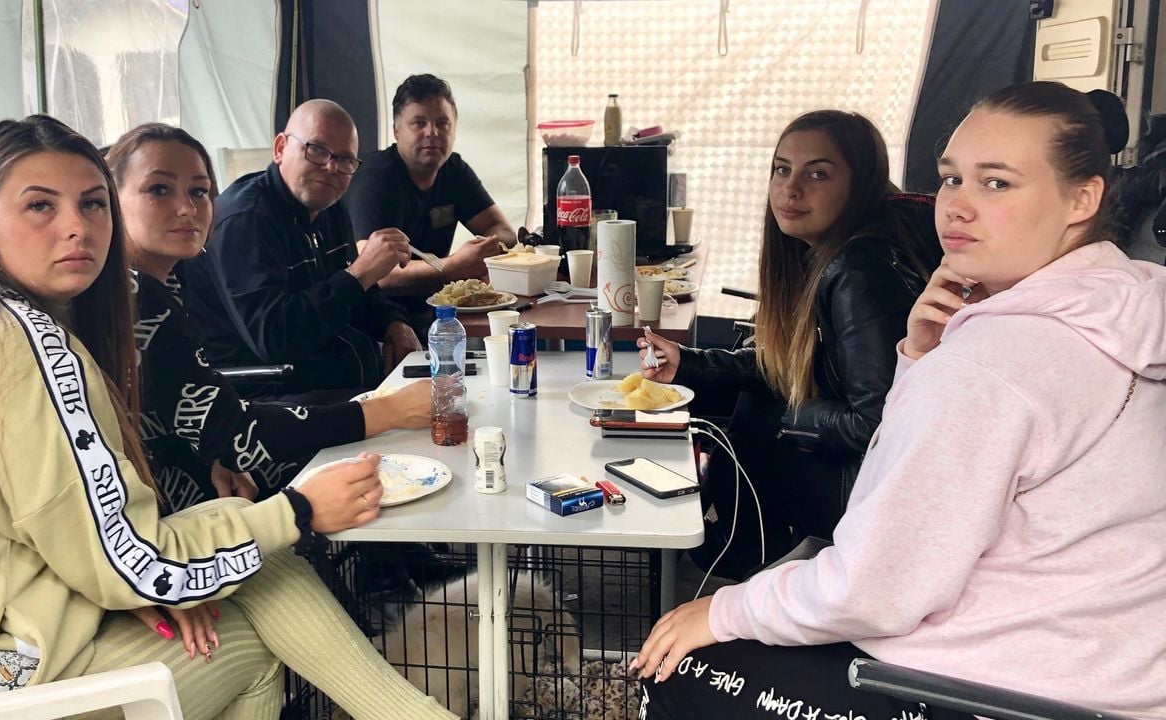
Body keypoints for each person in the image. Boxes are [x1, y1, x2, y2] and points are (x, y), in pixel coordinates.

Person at [0, 114, 455, 719]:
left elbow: (65, 526)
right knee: (260, 594)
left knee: (244, 548)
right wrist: (301, 509)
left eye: (91, 203)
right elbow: (134, 551)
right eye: (39, 207)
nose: (77, 227)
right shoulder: (26, 344)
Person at [633, 81, 1166, 719]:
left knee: (679, 667)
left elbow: (874, 588)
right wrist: (917, 363)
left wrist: (724, 608)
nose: (958, 207)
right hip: (1112, 669)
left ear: (1082, 198)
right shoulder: (1128, 310)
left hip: (1003, 689)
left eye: (996, 183)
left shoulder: (990, 361)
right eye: (951, 179)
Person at [640, 110, 941, 579]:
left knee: (753, 416)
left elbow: (880, 421)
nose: (791, 188)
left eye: (817, 173)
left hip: (857, 497)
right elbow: (791, 361)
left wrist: (786, 417)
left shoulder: (859, 272)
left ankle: (730, 571)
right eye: (782, 169)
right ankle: (726, 555)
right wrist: (691, 364)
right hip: (839, 480)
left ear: (862, 185)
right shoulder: (823, 251)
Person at [106, 122, 431, 509]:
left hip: (204, 445)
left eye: (199, 191)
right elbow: (240, 414)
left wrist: (392, 321)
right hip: (155, 501)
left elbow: (184, 401)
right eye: (158, 189)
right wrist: (384, 411)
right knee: (376, 442)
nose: (186, 208)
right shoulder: (137, 295)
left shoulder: (166, 278)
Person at [180, 99, 421, 399]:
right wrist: (360, 272)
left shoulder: (328, 207)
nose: (331, 167)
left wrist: (393, 322)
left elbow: (356, 292)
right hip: (264, 393)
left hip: (331, 370)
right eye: (317, 150)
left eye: (345, 159)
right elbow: (274, 339)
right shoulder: (246, 220)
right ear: (280, 148)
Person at [343, 74, 515, 336]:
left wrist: (479, 253)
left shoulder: (453, 169)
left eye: (442, 123)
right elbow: (382, 275)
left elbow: (503, 231)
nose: (432, 133)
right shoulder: (376, 179)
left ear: (454, 130)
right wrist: (454, 266)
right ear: (396, 131)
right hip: (378, 319)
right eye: (419, 123)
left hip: (437, 312)